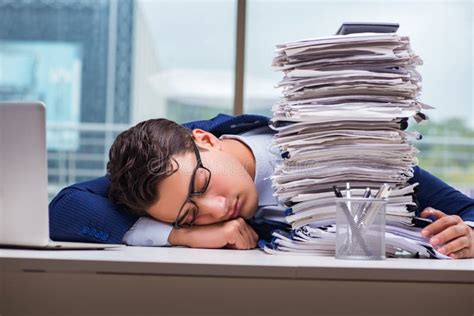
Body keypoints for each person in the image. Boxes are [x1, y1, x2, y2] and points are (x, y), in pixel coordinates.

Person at [49, 114, 474, 258]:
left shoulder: (331, 147)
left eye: (202, 185)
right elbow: (65, 209)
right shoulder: (156, 179)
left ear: (204, 138)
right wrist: (182, 235)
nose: (216, 209)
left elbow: (466, 211)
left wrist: (468, 233)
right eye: (192, 213)